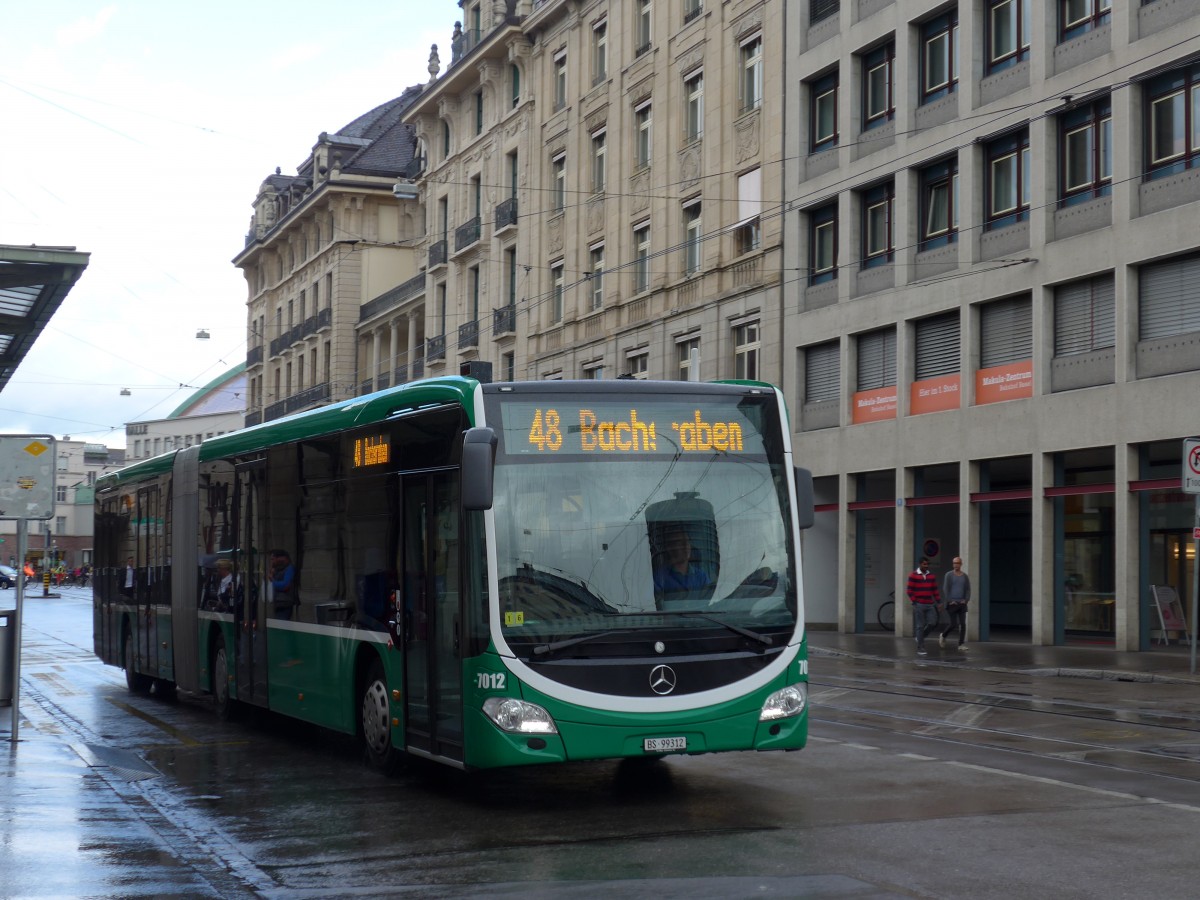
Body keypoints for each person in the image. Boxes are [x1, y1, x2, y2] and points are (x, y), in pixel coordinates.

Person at [653, 527, 710, 598]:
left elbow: (708, 604)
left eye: (687, 542)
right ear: (670, 548)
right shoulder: (659, 578)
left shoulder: (701, 577)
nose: (686, 546)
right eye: (680, 543)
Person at [906, 557, 940, 656]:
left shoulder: (931, 576)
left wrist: (939, 602)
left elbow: (935, 590)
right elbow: (909, 590)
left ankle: (920, 637)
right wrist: (914, 602)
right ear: (920, 564)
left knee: (932, 623)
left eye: (927, 564)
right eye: (924, 564)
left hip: (930, 603)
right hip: (919, 604)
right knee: (920, 626)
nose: (926, 566)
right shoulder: (913, 575)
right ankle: (921, 648)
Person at [940, 556, 971, 650]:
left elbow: (968, 589)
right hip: (952, 603)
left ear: (961, 564)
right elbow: (945, 589)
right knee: (953, 624)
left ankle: (961, 644)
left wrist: (966, 600)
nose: (955, 565)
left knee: (963, 624)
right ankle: (943, 635)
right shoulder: (948, 575)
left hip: (962, 603)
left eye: (957, 563)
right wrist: (950, 600)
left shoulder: (965, 576)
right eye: (954, 563)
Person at [270, 549, 297, 619]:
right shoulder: (277, 569)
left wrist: (272, 582)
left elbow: (285, 585)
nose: (272, 562)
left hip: (285, 603)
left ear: (280, 558)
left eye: (273, 559)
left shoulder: (289, 569)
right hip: (277, 602)